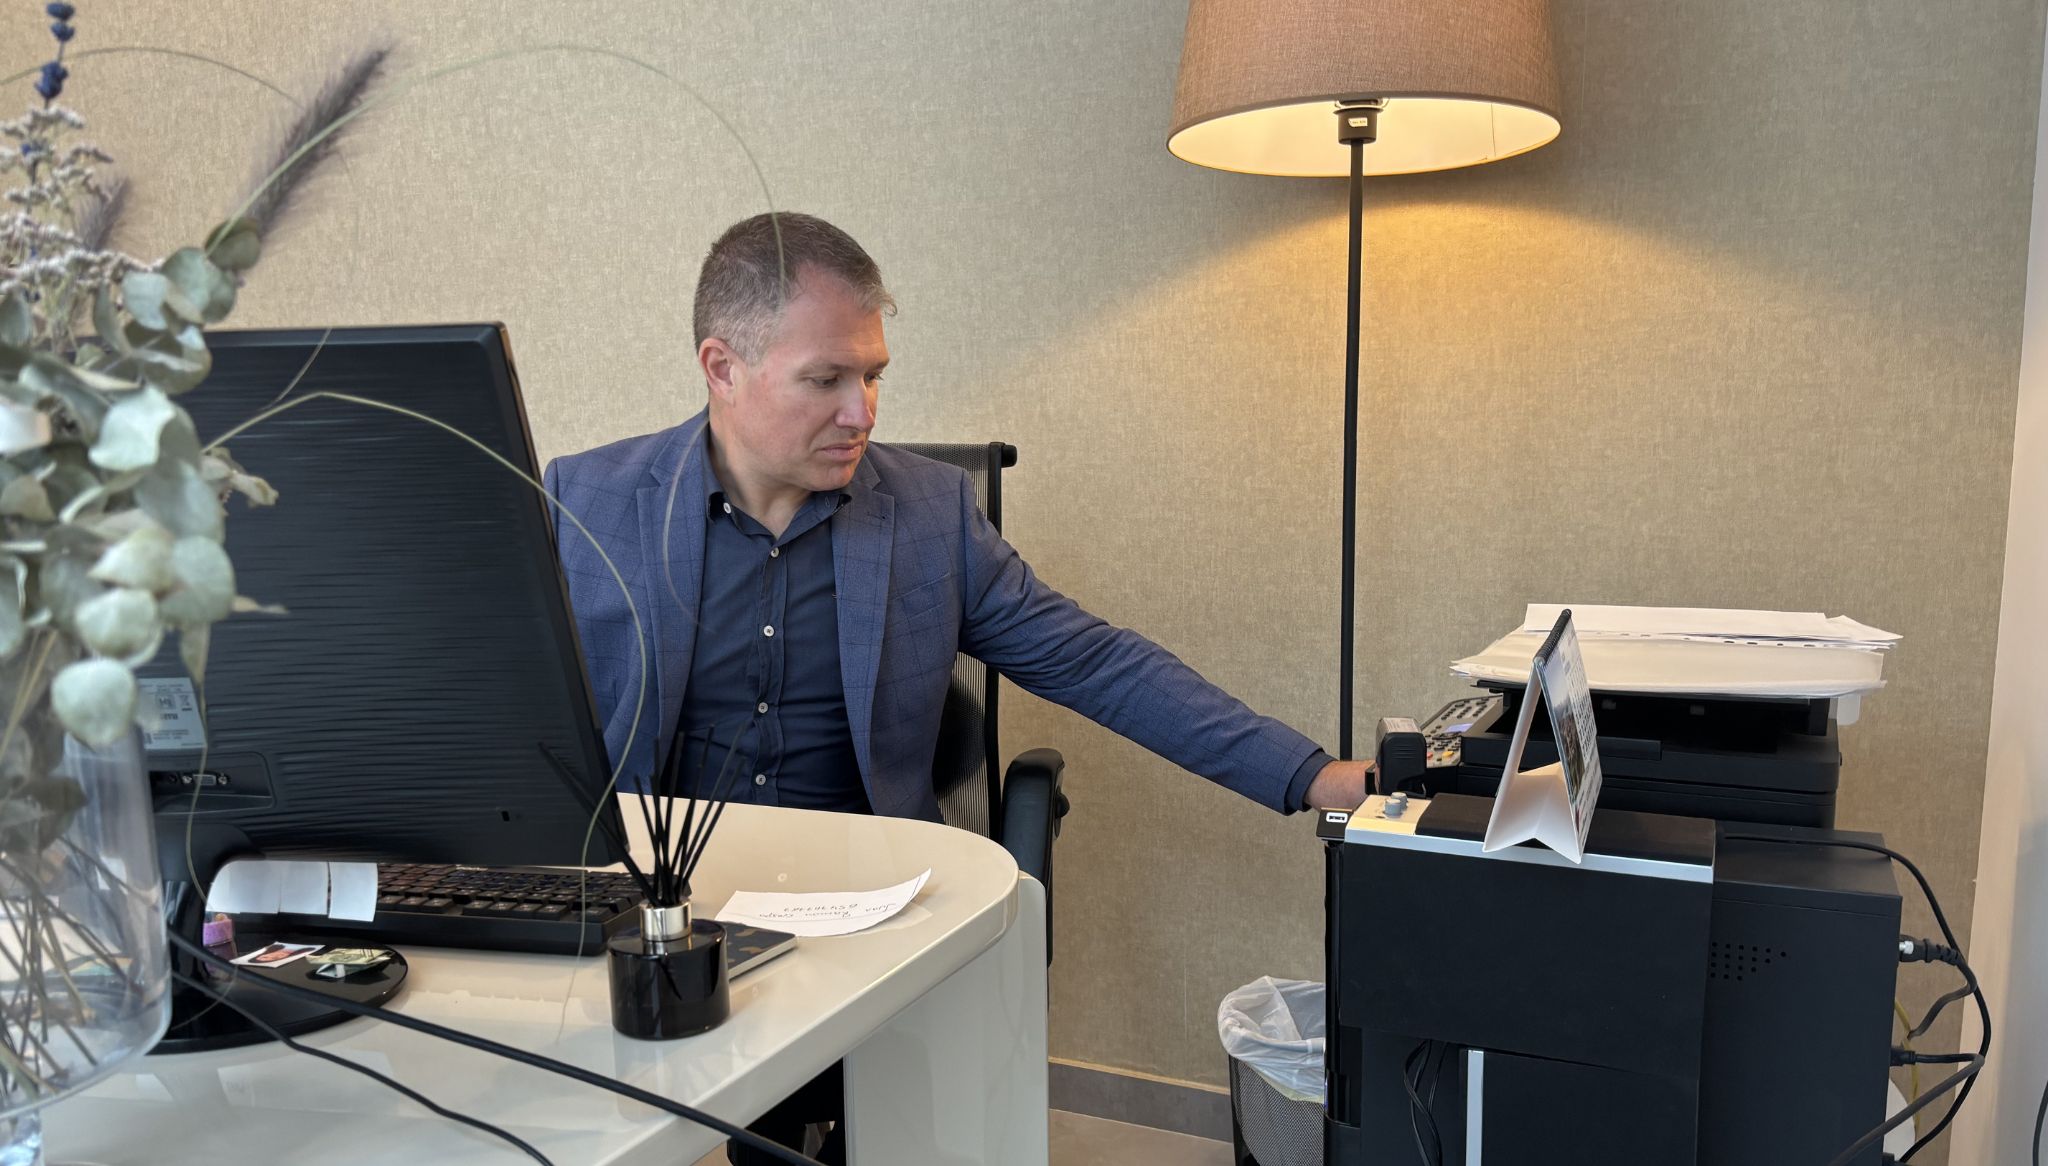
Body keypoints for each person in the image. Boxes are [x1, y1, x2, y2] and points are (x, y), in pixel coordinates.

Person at [543, 211, 1373, 1164]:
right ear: (721, 368)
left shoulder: (930, 514)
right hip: (663, 909)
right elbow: (493, 710)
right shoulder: (587, 503)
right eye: (826, 379)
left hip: (862, 916)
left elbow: (1093, 661)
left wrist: (1312, 775)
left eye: (873, 376)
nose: (862, 412)